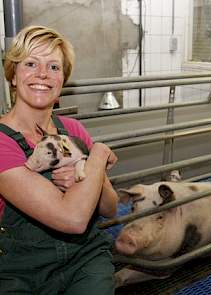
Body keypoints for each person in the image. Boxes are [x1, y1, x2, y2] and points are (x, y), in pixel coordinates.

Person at [0, 25, 118, 294]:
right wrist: (97, 157)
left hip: (84, 259)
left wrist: (88, 177)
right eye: (30, 63)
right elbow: (73, 219)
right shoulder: (1, 142)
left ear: (62, 80)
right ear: (13, 76)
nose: (42, 74)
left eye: (54, 67)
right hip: (20, 272)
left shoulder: (73, 130)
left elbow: (110, 208)